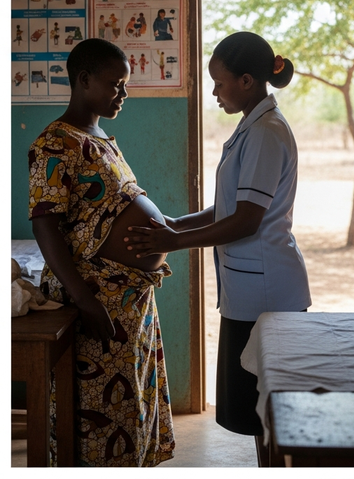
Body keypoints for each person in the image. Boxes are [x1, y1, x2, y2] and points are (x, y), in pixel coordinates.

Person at [123, 31, 311, 465]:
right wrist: (177, 222)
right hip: (252, 288)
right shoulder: (253, 125)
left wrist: (175, 241)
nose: (214, 92)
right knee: (258, 410)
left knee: (268, 411)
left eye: (219, 82)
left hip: (267, 292)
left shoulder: (266, 131)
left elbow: (246, 219)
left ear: (247, 80)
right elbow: (231, 204)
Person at [28, 38, 175, 466]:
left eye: (125, 85)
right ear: (83, 80)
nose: (123, 94)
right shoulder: (55, 143)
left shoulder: (100, 138)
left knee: (129, 403)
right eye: (116, 85)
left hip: (129, 299)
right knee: (98, 412)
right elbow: (46, 224)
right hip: (96, 301)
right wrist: (85, 299)